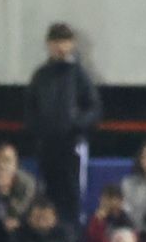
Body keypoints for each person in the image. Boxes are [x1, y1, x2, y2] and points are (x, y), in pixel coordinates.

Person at [24, 22, 101, 222]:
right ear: (48, 44)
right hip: (47, 148)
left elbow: (94, 109)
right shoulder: (41, 75)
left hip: (72, 148)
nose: (60, 47)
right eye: (56, 41)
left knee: (72, 199)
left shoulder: (79, 74)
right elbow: (30, 108)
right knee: (47, 198)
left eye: (65, 42)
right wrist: (40, 129)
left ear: (72, 44)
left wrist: (75, 124)